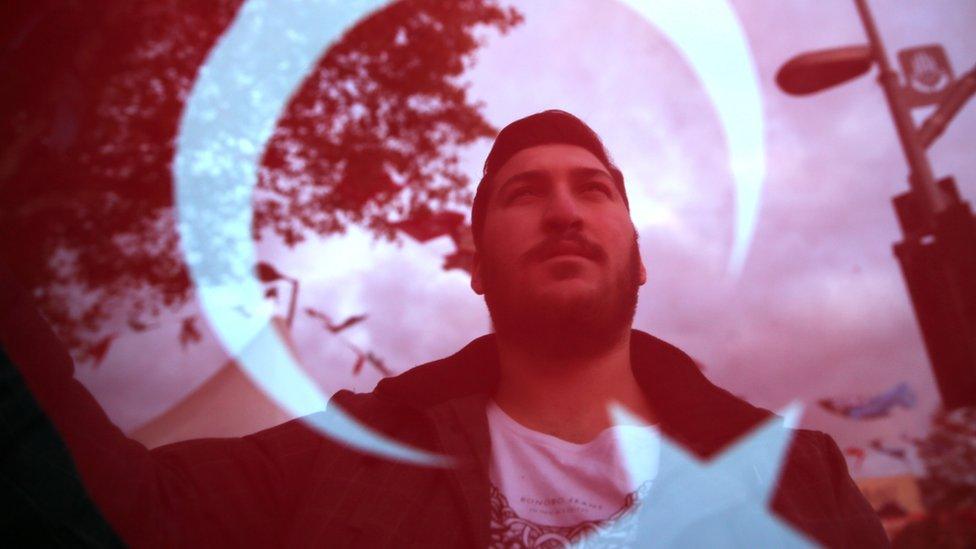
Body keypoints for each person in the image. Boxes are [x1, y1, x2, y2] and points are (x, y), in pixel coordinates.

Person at [0, 110, 888, 547]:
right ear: (475, 261)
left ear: (640, 253)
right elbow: (111, 513)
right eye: (523, 193)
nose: (564, 211)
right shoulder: (339, 459)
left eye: (593, 189)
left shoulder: (798, 477)